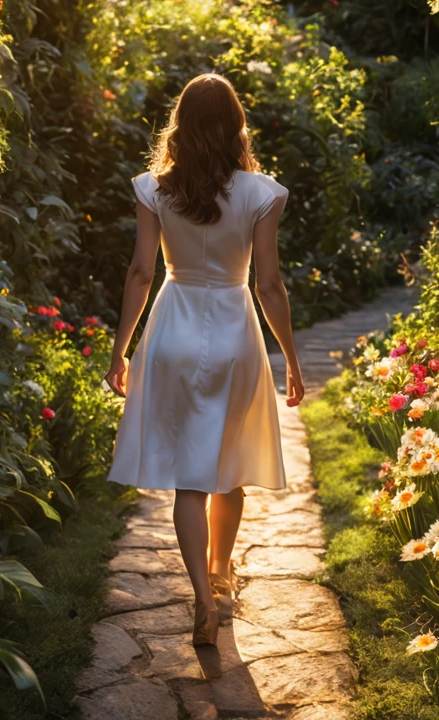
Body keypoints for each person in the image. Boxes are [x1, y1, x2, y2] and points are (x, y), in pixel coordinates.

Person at [103, 72, 305, 647]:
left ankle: (200, 597)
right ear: (237, 124)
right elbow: (269, 284)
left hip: (174, 326)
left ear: (181, 124)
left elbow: (141, 272)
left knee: (189, 480)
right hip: (236, 332)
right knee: (229, 465)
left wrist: (120, 350)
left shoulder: (154, 188)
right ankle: (219, 577)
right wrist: (290, 357)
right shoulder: (262, 192)